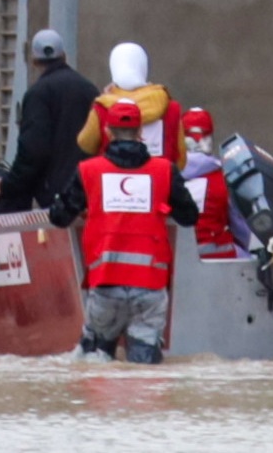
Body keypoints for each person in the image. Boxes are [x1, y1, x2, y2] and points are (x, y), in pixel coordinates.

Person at [49, 97, 199, 363]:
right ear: (141, 133)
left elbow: (59, 217)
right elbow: (189, 217)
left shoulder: (88, 171)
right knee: (144, 375)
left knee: (96, 369)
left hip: (106, 285)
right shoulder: (164, 171)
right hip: (150, 287)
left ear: (107, 132)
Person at [0, 29, 98, 213]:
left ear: (34, 62)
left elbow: (33, 149)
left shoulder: (38, 93)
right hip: (88, 191)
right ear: (64, 56)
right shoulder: (89, 89)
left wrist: (8, 185)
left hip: (52, 195)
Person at [73, 41, 181, 160]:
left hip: (111, 175)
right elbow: (181, 157)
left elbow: (86, 144)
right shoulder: (170, 107)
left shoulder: (104, 106)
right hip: (161, 176)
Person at [176, 107, 244, 259]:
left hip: (175, 260)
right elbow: (240, 226)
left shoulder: (164, 173)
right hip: (220, 258)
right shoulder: (225, 176)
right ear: (209, 138)